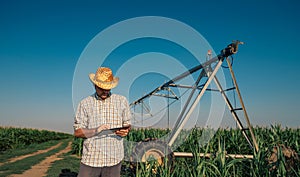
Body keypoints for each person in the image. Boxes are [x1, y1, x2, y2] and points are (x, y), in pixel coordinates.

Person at [73, 67, 131, 177]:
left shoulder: (122, 101)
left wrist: (125, 131)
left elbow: (127, 125)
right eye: (101, 88)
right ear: (95, 85)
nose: (105, 91)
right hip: (91, 159)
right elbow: (77, 132)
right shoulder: (85, 103)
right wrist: (96, 130)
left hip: (114, 159)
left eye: (108, 88)